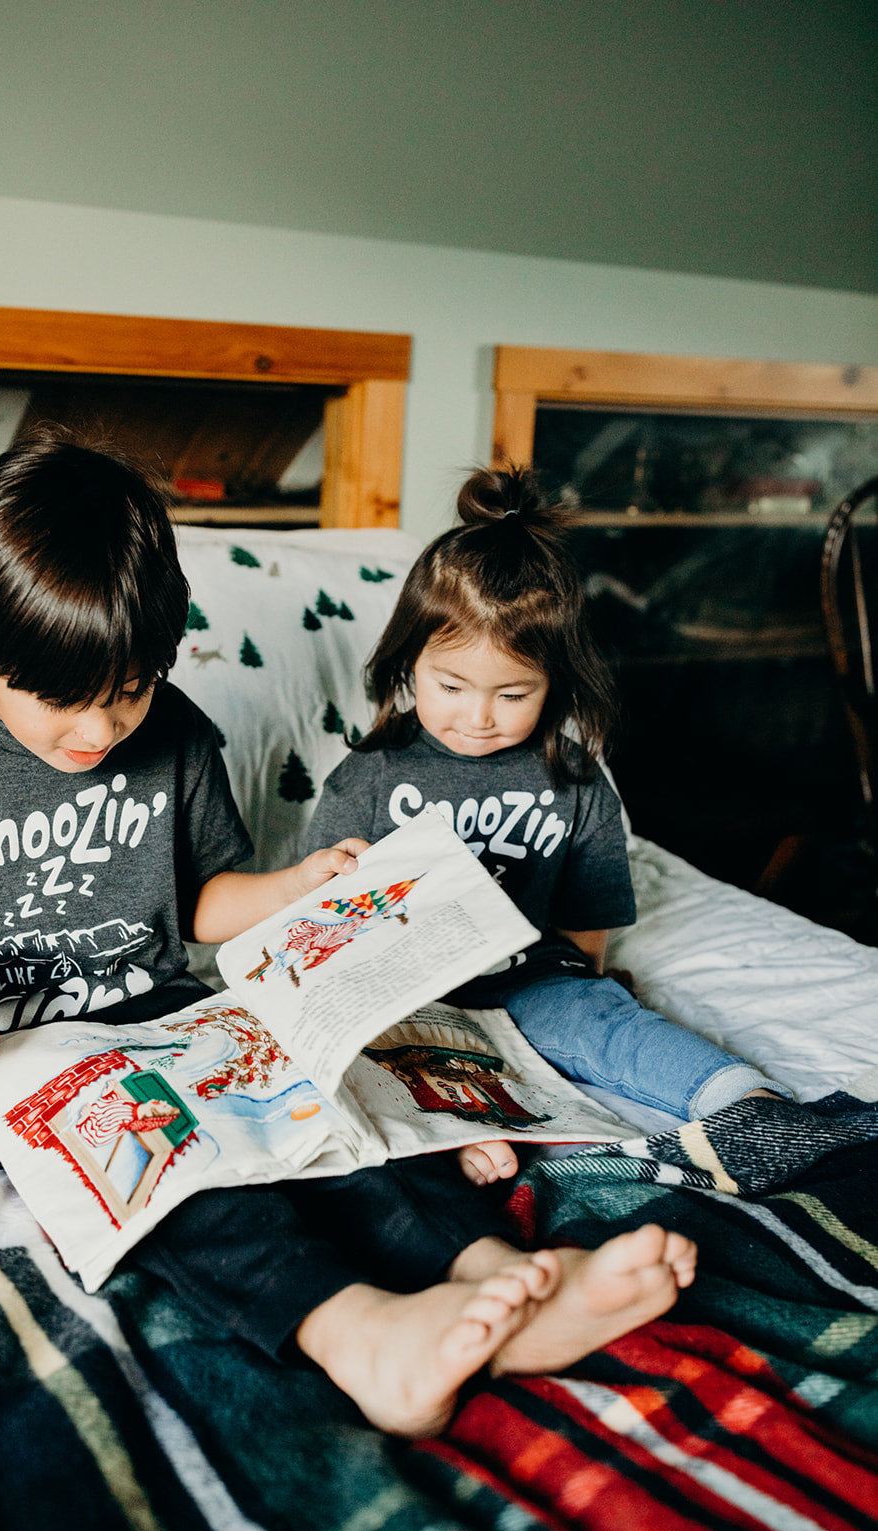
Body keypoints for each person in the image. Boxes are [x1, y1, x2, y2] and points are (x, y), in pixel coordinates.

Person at [0, 437, 696, 1439]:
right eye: (61, 704)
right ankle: (357, 1333)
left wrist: (292, 888)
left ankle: (498, 1276)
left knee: (326, 1105)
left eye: (130, 690)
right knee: (179, 1167)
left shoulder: (176, 733)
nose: (98, 736)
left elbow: (198, 905)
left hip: (156, 1007)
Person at [307, 464, 792, 1189]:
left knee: (601, 1023)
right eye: (450, 687)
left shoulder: (572, 778)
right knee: (359, 1056)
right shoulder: (370, 774)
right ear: (411, 661)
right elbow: (322, 923)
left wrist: (579, 991)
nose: (478, 717)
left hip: (529, 978)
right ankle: (460, 1136)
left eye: (512, 693)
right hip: (404, 992)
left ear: (553, 683)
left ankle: (751, 1105)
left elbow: (587, 926)